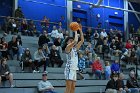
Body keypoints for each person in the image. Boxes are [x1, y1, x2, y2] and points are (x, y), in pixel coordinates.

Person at [64, 26, 84, 93]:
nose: (72, 41)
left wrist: (80, 30)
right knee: (68, 88)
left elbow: (82, 40)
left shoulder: (75, 49)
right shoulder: (67, 48)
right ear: (67, 42)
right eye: (70, 40)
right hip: (69, 69)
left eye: (72, 40)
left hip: (74, 69)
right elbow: (75, 41)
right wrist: (75, 30)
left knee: (73, 88)